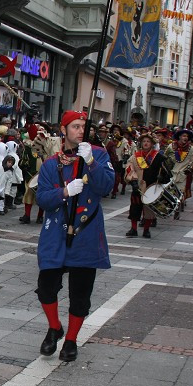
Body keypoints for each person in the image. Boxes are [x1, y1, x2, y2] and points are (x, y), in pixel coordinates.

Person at [36, 111, 115, 362]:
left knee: (80, 295)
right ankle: (54, 327)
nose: (81, 131)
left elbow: (106, 187)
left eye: (83, 126)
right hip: (56, 234)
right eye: (75, 126)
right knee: (46, 288)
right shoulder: (50, 164)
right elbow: (43, 199)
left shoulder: (99, 155)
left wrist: (90, 162)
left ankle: (70, 340)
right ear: (64, 129)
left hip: (85, 234)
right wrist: (64, 192)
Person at [124, 133, 165, 238]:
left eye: (148, 141)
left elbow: (165, 171)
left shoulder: (158, 157)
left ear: (152, 144)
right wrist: (133, 181)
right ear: (141, 143)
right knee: (134, 208)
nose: (146, 143)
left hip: (151, 187)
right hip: (137, 186)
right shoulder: (135, 156)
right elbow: (129, 168)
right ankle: (133, 229)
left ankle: (146, 230)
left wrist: (162, 177)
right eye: (144, 141)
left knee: (149, 210)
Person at [164, 128, 193, 218]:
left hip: (182, 175)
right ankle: (168, 208)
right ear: (179, 137)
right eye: (184, 135)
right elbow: (164, 158)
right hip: (170, 174)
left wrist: (191, 168)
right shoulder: (171, 147)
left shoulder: (192, 149)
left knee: (179, 193)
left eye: (187, 136)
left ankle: (177, 210)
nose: (185, 138)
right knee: (168, 193)